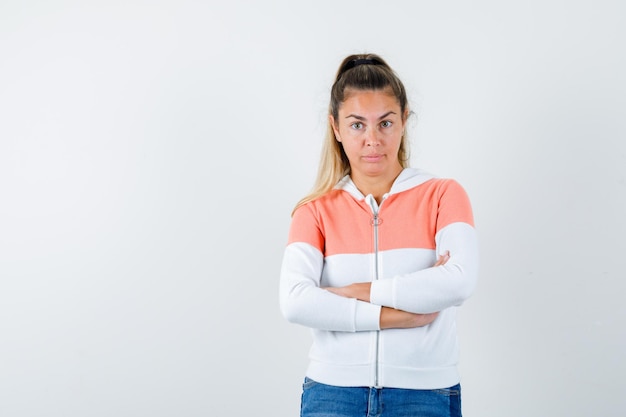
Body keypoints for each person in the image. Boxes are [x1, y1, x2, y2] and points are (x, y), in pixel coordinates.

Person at [279, 53, 479, 417]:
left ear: (404, 121)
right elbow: (295, 301)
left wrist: (357, 292)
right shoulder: (314, 210)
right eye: (357, 125)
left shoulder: (443, 195)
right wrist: (397, 315)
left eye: (385, 123)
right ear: (336, 128)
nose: (372, 140)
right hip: (333, 394)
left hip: (424, 392)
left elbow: (459, 283)